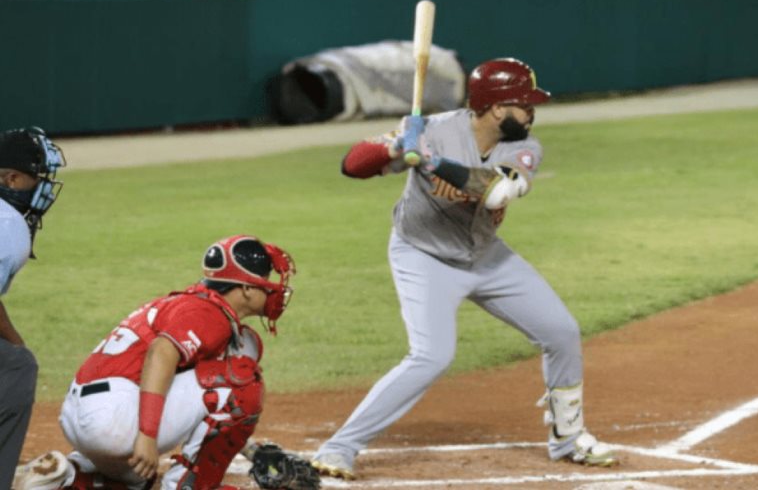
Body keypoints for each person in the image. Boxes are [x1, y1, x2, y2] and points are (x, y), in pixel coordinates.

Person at [311, 58, 618, 480]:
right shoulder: (430, 130)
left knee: (561, 332)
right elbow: (352, 165)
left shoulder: (522, 146)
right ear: (496, 108)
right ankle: (340, 447)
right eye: (524, 105)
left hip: (487, 257)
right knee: (432, 356)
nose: (532, 113)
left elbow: (498, 191)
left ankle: (568, 439)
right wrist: (395, 147)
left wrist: (436, 165)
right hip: (423, 256)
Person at [16, 235, 298, 490]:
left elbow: (206, 405)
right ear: (247, 289)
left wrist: (251, 450)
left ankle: (68, 476)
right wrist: (147, 436)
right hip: (114, 417)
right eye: (267, 281)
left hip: (83, 415)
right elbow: (161, 353)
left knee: (139, 479)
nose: (274, 289)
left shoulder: (190, 304)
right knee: (243, 377)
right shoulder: (210, 314)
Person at [0, 127, 66, 489]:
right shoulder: (8, 223)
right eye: (36, 178)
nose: (43, 187)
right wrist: (17, 342)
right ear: (11, 178)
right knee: (18, 365)